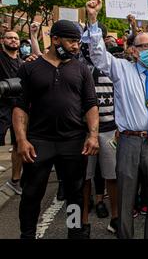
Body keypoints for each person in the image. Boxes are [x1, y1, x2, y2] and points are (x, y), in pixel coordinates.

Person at [82, 0, 148, 239]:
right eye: (143, 46)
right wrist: (93, 19)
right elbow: (97, 55)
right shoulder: (120, 69)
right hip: (128, 142)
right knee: (126, 198)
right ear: (133, 50)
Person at [13, 20, 99, 239]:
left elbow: (90, 104)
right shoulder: (30, 67)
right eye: (71, 41)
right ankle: (28, 234)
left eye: (78, 42)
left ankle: (75, 232)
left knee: (75, 194)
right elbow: (20, 108)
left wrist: (93, 135)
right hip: (39, 141)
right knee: (32, 193)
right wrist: (22, 140)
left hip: (73, 141)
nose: (76, 46)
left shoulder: (81, 69)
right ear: (55, 39)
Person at [78, 26, 119, 236]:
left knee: (112, 176)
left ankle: (116, 218)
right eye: (85, 40)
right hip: (82, 132)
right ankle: (80, 222)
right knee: (81, 179)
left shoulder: (112, 64)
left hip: (110, 129)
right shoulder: (74, 65)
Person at [0, 30, 23, 195]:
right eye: (10, 37)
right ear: (3, 40)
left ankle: (15, 180)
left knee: (18, 144)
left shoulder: (22, 62)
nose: (13, 40)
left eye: (16, 38)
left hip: (18, 108)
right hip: (1, 107)